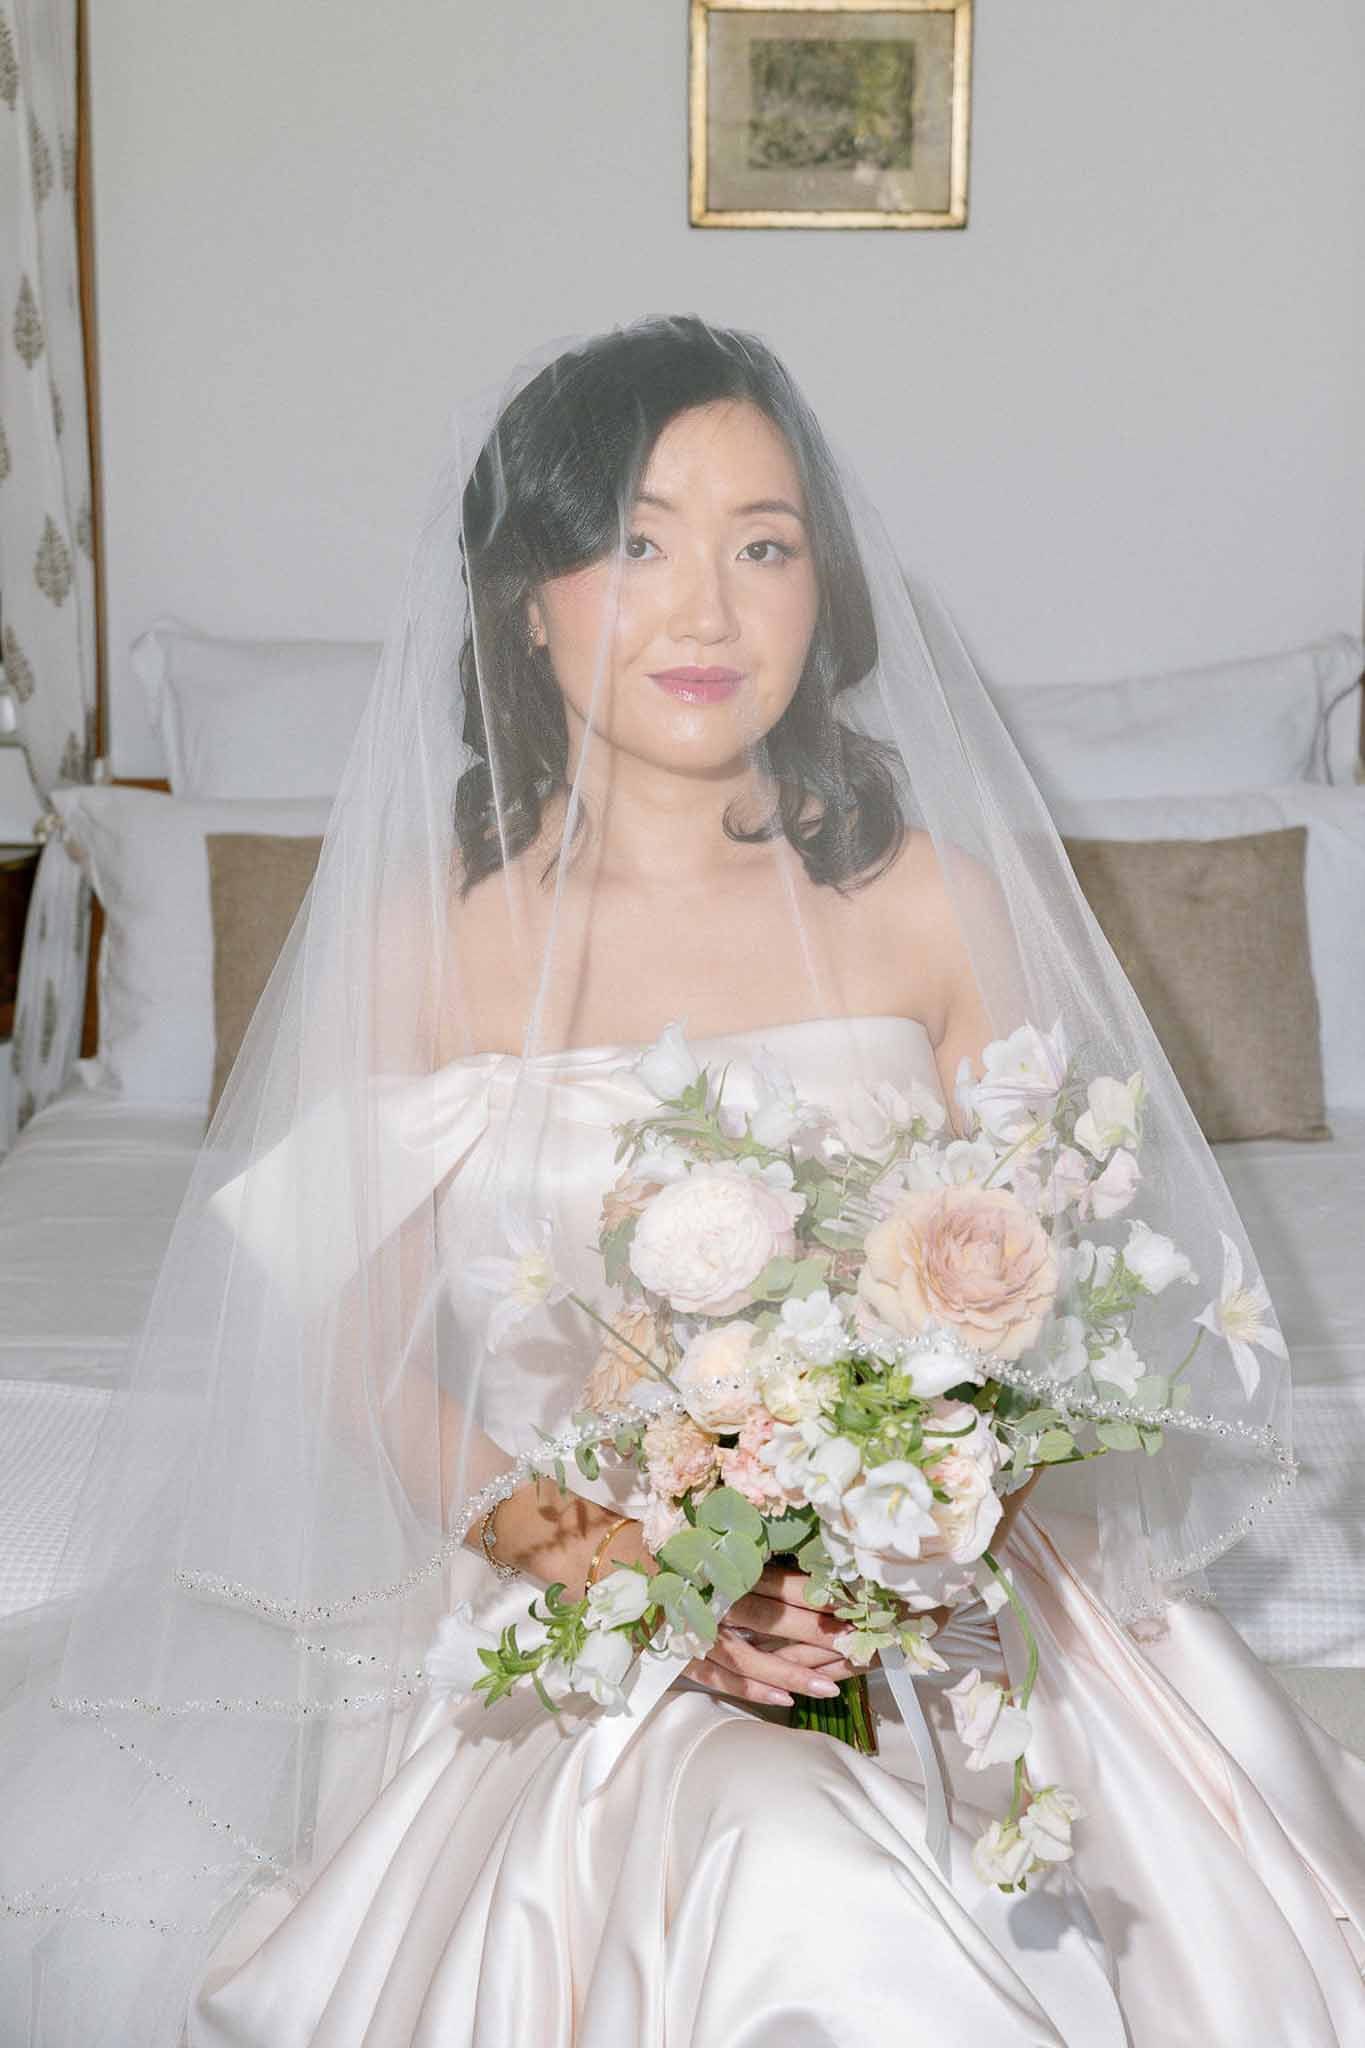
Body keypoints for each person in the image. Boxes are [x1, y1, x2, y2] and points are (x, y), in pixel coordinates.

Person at [2, 315, 1363, 2045]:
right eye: (636, 541)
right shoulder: (430, 952)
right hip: (581, 1581)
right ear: (526, 598)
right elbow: (345, 1357)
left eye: (763, 545)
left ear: (824, 589)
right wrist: (643, 1572)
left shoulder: (937, 900)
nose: (708, 609)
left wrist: (895, 1540)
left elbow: (1073, 1288)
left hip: (937, 1592)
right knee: (781, 1856)